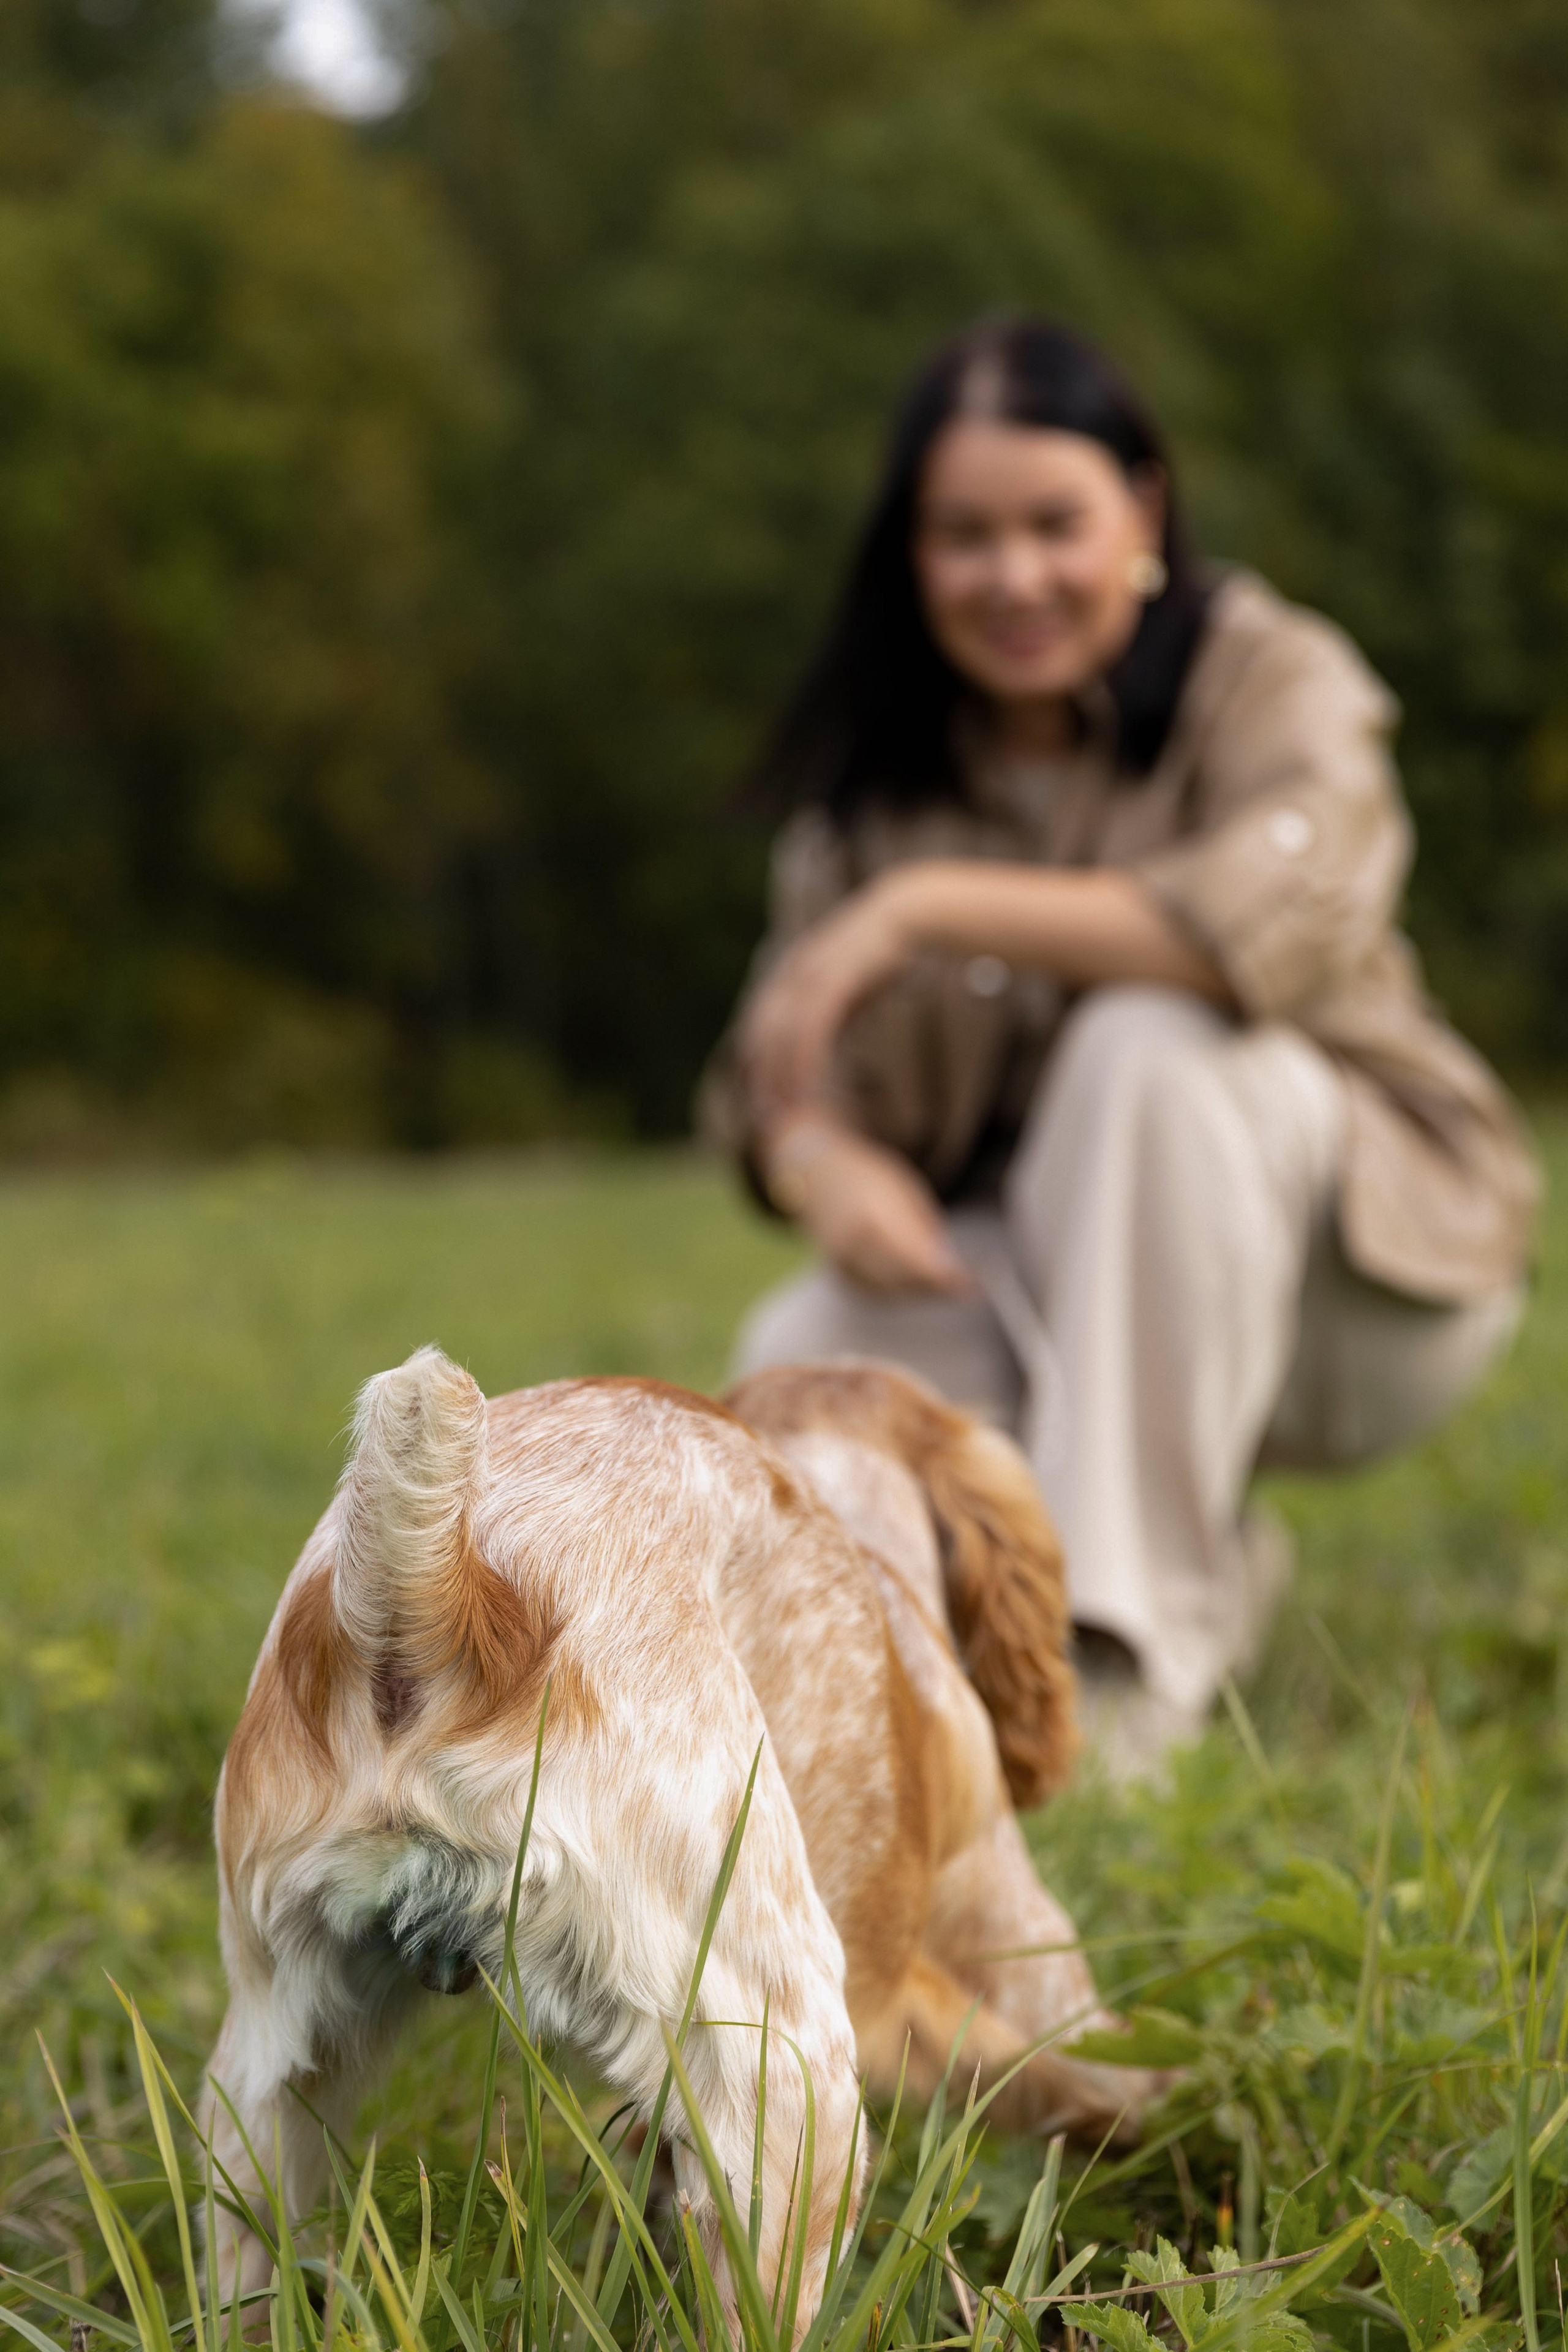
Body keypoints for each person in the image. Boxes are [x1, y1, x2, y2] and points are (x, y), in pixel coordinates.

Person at [700, 315, 1539, 1772]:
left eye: (1052, 523)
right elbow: (765, 1062)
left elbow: (1259, 922)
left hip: (1366, 1294)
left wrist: (924, 909)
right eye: (964, 534)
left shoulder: (1268, 676)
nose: (1012, 574)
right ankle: (888, 1715)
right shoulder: (870, 791)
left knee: (1149, 1044)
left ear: (1140, 511)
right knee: (804, 1346)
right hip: (1057, 1301)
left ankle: (1122, 1671)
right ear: (911, 551)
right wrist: (812, 1153)